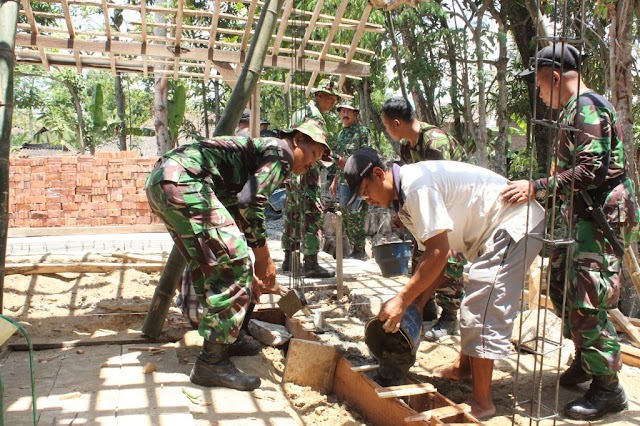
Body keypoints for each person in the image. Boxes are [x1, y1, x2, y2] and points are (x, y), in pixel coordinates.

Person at [344, 148, 545, 419]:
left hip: (516, 223)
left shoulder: (417, 186)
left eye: (366, 192)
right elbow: (438, 256)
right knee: (474, 298)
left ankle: (482, 402)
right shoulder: (404, 204)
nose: (368, 200)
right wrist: (417, 305)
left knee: (482, 302)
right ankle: (465, 367)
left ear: (380, 174)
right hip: (493, 233)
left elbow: (437, 252)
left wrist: (402, 300)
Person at [503, 42, 639, 421]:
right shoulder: (573, 110)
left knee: (587, 300)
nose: (539, 92)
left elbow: (591, 170)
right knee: (561, 286)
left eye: (540, 84)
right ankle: (587, 360)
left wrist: (538, 188)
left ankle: (608, 389)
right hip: (583, 217)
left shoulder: (586, 107)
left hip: (601, 218)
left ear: (555, 76)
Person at [146, 118, 331, 391]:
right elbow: (251, 202)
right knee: (236, 264)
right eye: (313, 154)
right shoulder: (281, 153)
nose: (310, 165)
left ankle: (229, 338)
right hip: (185, 180)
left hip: (164, 180)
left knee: (218, 263)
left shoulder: (255, 157)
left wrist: (249, 274)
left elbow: (236, 212)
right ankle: (212, 362)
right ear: (297, 140)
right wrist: (263, 260)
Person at [380, 96, 467, 341]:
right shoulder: (407, 146)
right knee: (421, 253)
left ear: (396, 123)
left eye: (386, 126)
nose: (387, 131)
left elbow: (447, 187)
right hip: (428, 203)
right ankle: (423, 304)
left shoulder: (436, 142)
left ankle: (450, 315)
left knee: (448, 256)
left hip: (454, 205)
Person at [281, 78, 340, 278]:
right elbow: (314, 147)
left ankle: (289, 260)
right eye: (330, 99)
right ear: (319, 95)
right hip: (307, 170)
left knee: (292, 213)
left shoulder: (299, 112)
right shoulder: (315, 117)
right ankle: (311, 263)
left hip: (293, 171)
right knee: (311, 213)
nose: (333, 104)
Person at [329, 98, 371, 260]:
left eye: (348, 111)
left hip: (358, 183)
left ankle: (360, 250)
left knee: (357, 215)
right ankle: (355, 249)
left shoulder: (362, 132)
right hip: (343, 183)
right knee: (346, 215)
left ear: (355, 113)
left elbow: (368, 156)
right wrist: (334, 181)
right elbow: (339, 160)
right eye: (342, 111)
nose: (344, 114)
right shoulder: (341, 134)